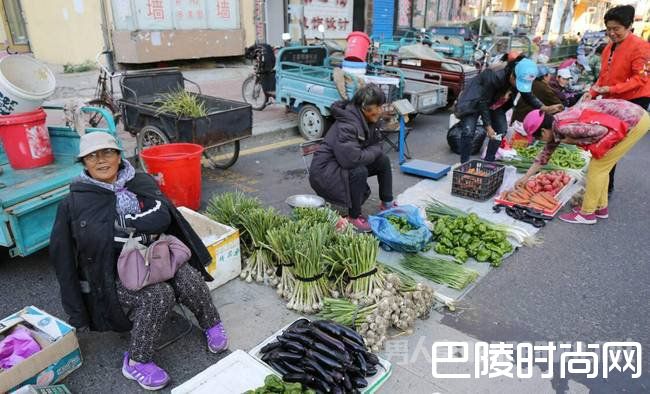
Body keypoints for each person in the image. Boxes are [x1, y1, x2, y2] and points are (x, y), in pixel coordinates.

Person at [50, 132, 228, 391]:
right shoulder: (74, 203)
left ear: (119, 156)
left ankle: (212, 323)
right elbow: (63, 257)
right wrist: (76, 309)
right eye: (92, 156)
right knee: (158, 295)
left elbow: (162, 216)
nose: (101, 160)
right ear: (84, 163)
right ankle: (136, 361)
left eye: (107, 152)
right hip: (113, 278)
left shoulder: (139, 182)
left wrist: (125, 225)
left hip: (156, 257)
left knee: (188, 277)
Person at [517, 99, 649, 224]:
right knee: (601, 166)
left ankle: (587, 214)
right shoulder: (556, 124)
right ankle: (600, 207)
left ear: (543, 131)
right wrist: (526, 177)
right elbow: (544, 155)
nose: (540, 141)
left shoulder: (564, 128)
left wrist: (573, 141)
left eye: (538, 137)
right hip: (633, 116)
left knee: (597, 168)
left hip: (633, 121)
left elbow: (601, 131)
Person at [309, 84, 395, 233]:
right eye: (378, 106)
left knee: (383, 161)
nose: (381, 110)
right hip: (325, 174)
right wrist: (375, 149)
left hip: (340, 164)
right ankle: (353, 216)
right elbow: (352, 160)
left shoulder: (369, 120)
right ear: (365, 107)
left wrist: (375, 149)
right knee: (359, 170)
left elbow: (376, 145)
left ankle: (387, 203)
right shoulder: (348, 124)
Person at [586, 5, 650, 195]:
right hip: (612, 98)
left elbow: (641, 79)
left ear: (629, 26)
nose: (612, 33)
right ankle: (603, 186)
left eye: (616, 29)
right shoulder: (608, 48)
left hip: (634, 100)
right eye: (609, 29)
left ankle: (603, 189)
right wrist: (593, 92)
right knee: (605, 143)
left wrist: (610, 89)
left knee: (610, 145)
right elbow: (604, 76)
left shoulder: (642, 47)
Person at [454, 57, 563, 163]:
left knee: (501, 130)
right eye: (517, 83)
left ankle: (488, 161)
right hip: (476, 99)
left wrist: (544, 108)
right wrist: (488, 126)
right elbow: (483, 102)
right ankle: (464, 163)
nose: (519, 87)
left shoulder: (521, 77)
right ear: (512, 75)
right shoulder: (494, 76)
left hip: (496, 103)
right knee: (468, 131)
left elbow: (528, 96)